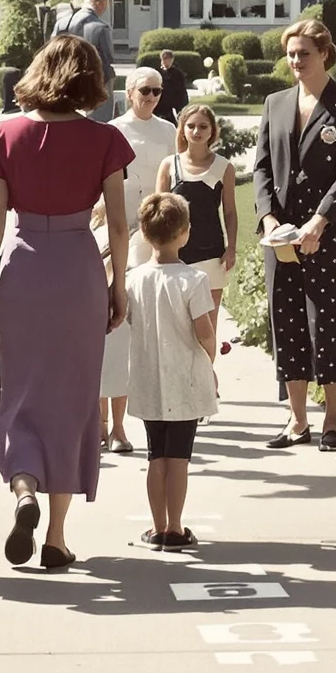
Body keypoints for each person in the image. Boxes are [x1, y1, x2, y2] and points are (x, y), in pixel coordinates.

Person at [0, 35, 132, 572]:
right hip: (78, 269)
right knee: (72, 398)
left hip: (24, 267)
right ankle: (57, 537)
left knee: (21, 390)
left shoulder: (4, 133)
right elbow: (116, 221)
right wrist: (118, 286)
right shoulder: (104, 139)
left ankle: (24, 488)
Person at [255, 15, 336, 450]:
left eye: (304, 53)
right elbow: (262, 167)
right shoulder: (275, 103)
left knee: (327, 324)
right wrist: (268, 220)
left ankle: (333, 421)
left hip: (327, 234)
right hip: (281, 237)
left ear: (324, 53)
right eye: (290, 54)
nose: (296, 61)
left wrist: (319, 221)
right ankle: (297, 420)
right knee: (286, 323)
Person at [126, 190, 220, 551]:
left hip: (149, 378)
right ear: (185, 233)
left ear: (145, 235)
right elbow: (204, 331)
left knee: (156, 455)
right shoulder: (192, 281)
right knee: (179, 458)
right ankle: (176, 528)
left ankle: (156, 525)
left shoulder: (135, 280)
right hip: (186, 378)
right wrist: (210, 361)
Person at [96, 66, 179, 453]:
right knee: (104, 326)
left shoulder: (167, 132)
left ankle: (121, 426)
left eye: (157, 91)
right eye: (144, 90)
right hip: (113, 235)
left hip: (152, 238)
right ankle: (98, 423)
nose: (151, 97)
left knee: (133, 329)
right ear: (129, 93)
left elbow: (175, 183)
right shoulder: (111, 131)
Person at [157, 103, 237, 292]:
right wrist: (159, 251)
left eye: (203, 126)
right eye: (191, 126)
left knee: (210, 319)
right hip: (175, 253)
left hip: (211, 251)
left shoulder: (224, 167)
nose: (196, 131)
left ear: (212, 131)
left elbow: (230, 211)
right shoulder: (169, 165)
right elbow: (157, 214)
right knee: (177, 318)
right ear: (182, 129)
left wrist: (231, 248)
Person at [73, 0, 118, 123]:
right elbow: (107, 58)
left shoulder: (62, 24)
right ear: (100, 2)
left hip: (67, 82)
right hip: (94, 83)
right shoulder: (101, 27)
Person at [155, 48, 190, 122]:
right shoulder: (157, 73)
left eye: (168, 59)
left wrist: (180, 105)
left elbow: (182, 90)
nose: (166, 61)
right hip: (159, 104)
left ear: (172, 60)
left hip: (173, 104)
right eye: (164, 59)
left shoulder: (178, 74)